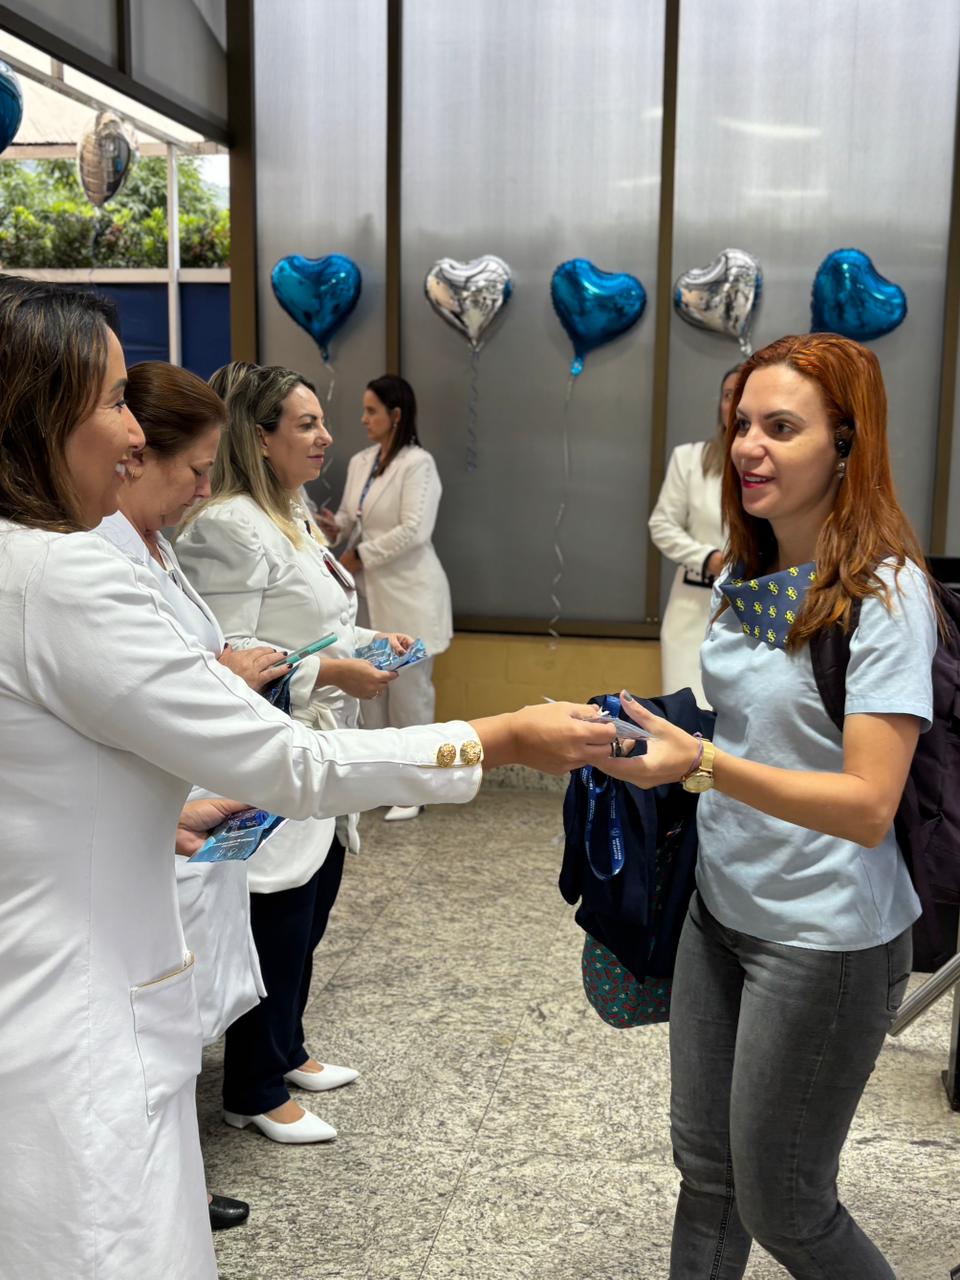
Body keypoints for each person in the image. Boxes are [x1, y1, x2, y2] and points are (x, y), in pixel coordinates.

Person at [0, 275, 615, 1280]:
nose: (133, 434)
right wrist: (497, 738)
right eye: (112, 400)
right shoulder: (62, 574)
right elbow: (295, 759)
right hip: (74, 1017)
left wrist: (149, 814)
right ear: (37, 414)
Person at [602, 333, 936, 1279]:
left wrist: (701, 764)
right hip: (720, 911)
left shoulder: (885, 596)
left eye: (781, 428)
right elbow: (755, 729)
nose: (748, 447)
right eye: (742, 423)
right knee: (708, 1176)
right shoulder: (743, 574)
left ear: (846, 444)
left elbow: (868, 805)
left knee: (788, 1207)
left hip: (823, 939)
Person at [177, 362, 403, 1143]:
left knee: (313, 903)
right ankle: (254, 1086)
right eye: (305, 425)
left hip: (320, 743)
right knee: (275, 912)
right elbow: (232, 650)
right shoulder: (228, 525)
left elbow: (317, 622)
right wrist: (331, 673)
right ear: (259, 437)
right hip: (270, 744)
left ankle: (289, 1047)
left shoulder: (292, 511)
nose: (325, 437)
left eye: (322, 422)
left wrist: (370, 643)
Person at [94, 360, 286, 1226]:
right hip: (146, 815)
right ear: (137, 455)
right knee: (151, 1018)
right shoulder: (95, 557)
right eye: (197, 470)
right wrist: (223, 677)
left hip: (191, 805)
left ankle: (177, 1172)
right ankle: (167, 1184)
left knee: (188, 1009)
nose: (207, 489)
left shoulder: (155, 543)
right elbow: (133, 692)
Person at [318, 374, 451, 821]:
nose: (363, 419)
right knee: (370, 690)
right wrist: (334, 528)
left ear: (396, 415)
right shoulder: (362, 461)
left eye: (371, 411)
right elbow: (349, 516)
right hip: (366, 594)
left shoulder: (419, 464)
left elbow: (414, 531)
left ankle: (415, 788)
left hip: (410, 594)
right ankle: (376, 782)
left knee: (410, 695)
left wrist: (358, 556)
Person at [648, 366, 740, 706]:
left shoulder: (779, 467)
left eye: (743, 392)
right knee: (688, 710)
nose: (735, 402)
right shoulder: (688, 459)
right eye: (728, 395)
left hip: (754, 608)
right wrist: (708, 559)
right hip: (693, 608)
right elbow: (662, 525)